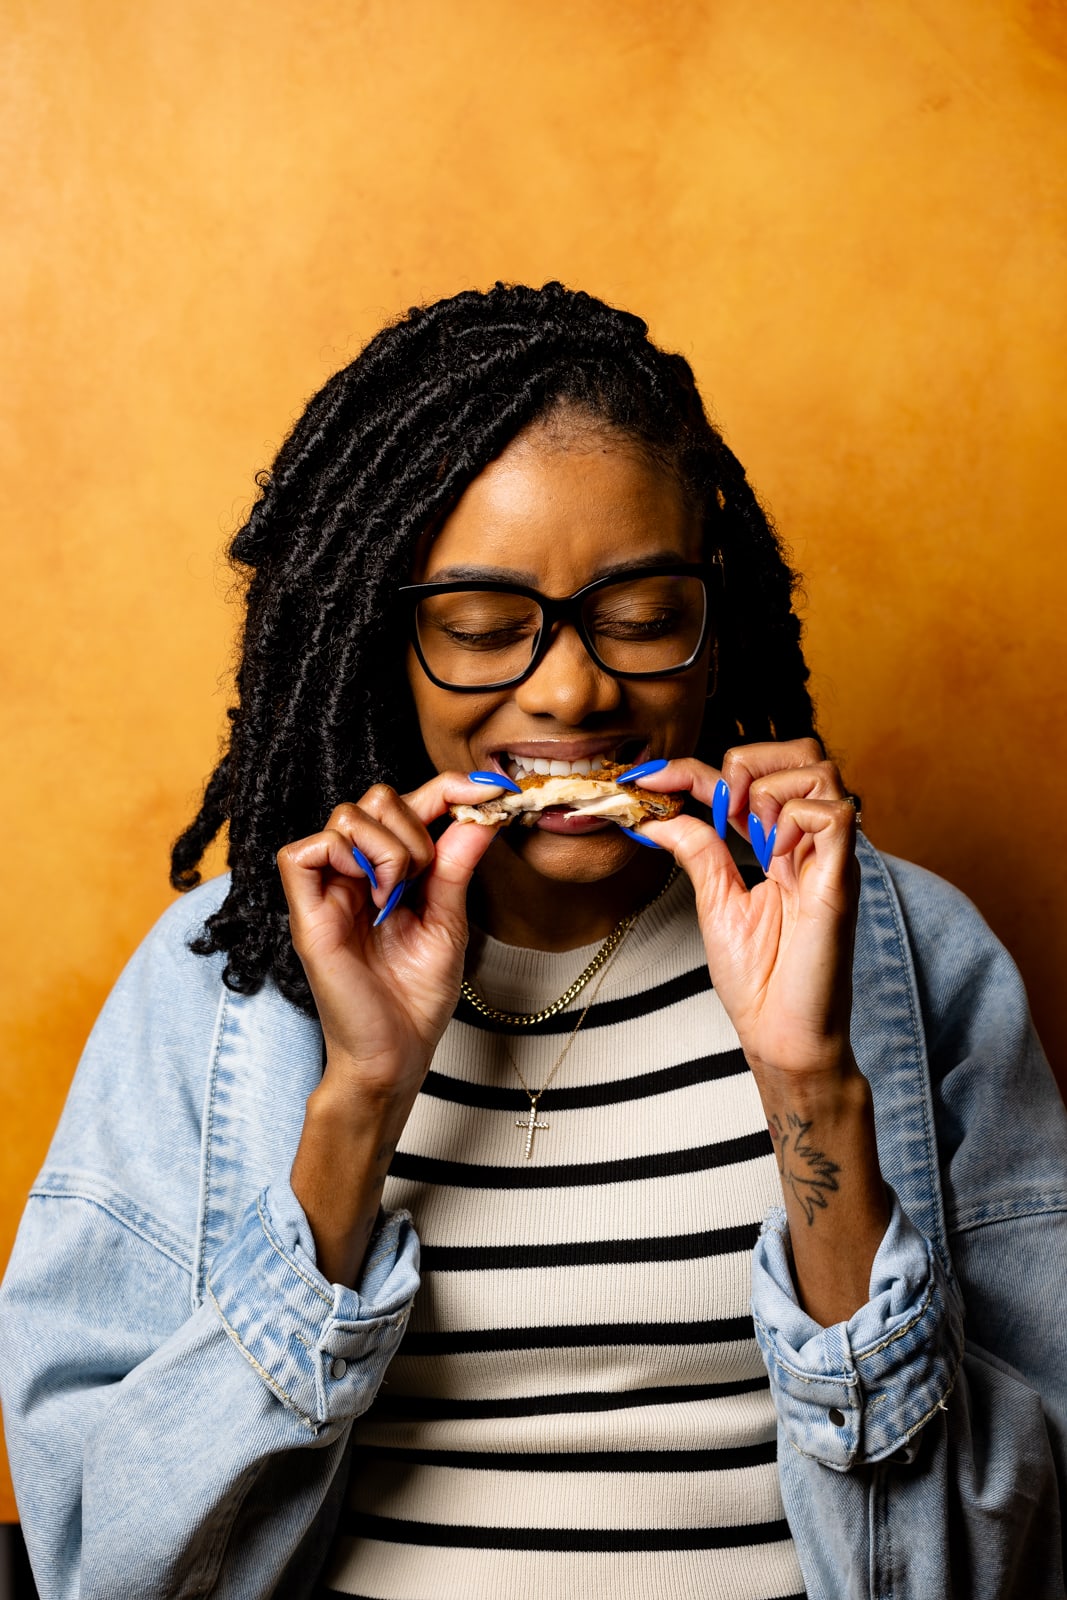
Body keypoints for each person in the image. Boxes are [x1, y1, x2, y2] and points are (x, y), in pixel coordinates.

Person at [1, 282, 1065, 1600]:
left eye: (640, 614)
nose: (571, 690)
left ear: (715, 619)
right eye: (485, 628)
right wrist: (359, 1100)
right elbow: (108, 1568)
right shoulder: (215, 991)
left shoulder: (916, 961)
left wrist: (811, 1086)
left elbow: (1002, 1568)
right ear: (381, 640)